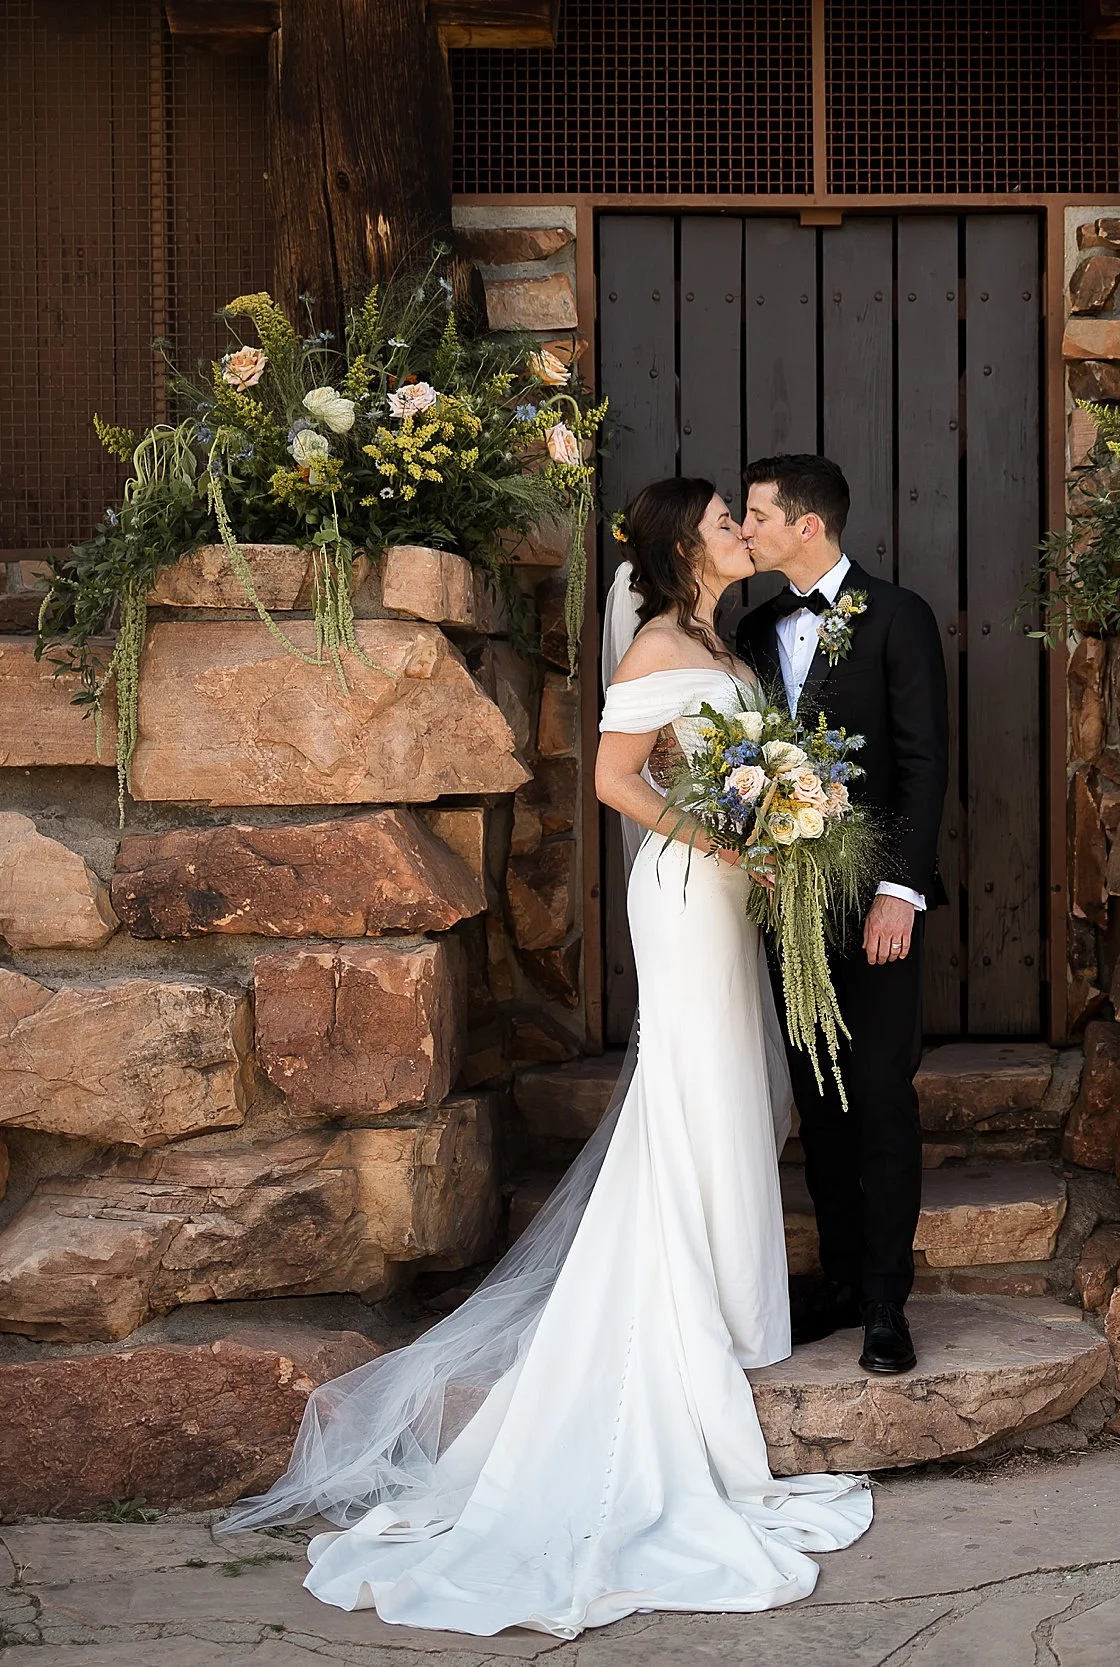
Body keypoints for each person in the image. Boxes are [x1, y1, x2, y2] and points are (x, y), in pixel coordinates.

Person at [216, 477, 872, 1637]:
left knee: (730, 1087)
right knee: (693, 1086)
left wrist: (770, 828)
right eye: (724, 520)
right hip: (682, 890)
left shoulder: (720, 639)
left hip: (726, 891)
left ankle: (732, 1298)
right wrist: (727, 830)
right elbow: (621, 779)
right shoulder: (663, 644)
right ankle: (696, 1304)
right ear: (684, 546)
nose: (739, 530)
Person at [735, 453, 950, 1377]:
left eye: (755, 515)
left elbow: (923, 763)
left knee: (879, 1097)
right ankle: (836, 1278)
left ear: (806, 526)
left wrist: (901, 889)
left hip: (875, 902)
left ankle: (887, 1302)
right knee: (816, 1098)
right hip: (786, 901)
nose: (745, 530)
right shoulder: (752, 628)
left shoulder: (898, 617)